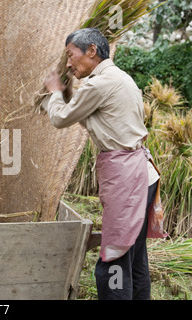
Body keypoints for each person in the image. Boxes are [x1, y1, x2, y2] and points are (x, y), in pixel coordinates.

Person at [42, 28, 165, 300]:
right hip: (142, 175)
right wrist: (68, 88)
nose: (68, 63)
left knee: (115, 258)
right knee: (134, 256)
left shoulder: (100, 84)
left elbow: (61, 118)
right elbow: (84, 110)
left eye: (70, 56)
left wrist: (53, 92)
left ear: (92, 51)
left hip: (127, 179)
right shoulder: (119, 77)